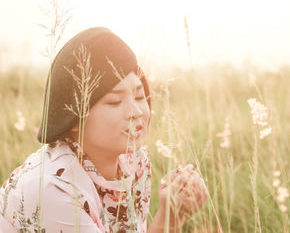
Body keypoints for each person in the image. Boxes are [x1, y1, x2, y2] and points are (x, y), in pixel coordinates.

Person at [0, 27, 208, 232]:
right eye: (115, 101)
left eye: (138, 96)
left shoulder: (134, 161)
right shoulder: (53, 189)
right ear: (73, 119)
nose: (136, 112)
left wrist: (173, 214)